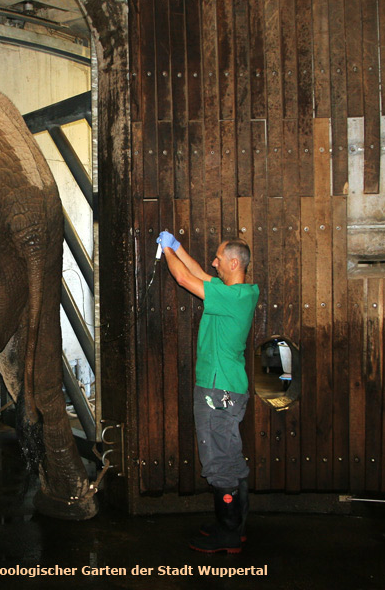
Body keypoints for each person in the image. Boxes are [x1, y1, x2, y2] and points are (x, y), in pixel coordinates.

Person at [156, 231, 259, 554]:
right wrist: (177, 247)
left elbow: (185, 279)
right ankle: (234, 526)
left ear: (233, 262)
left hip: (219, 390)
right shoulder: (234, 292)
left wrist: (164, 251)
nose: (213, 263)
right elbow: (198, 273)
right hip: (226, 388)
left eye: (218, 258)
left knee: (218, 460)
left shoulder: (234, 297)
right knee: (229, 456)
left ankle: (228, 535)